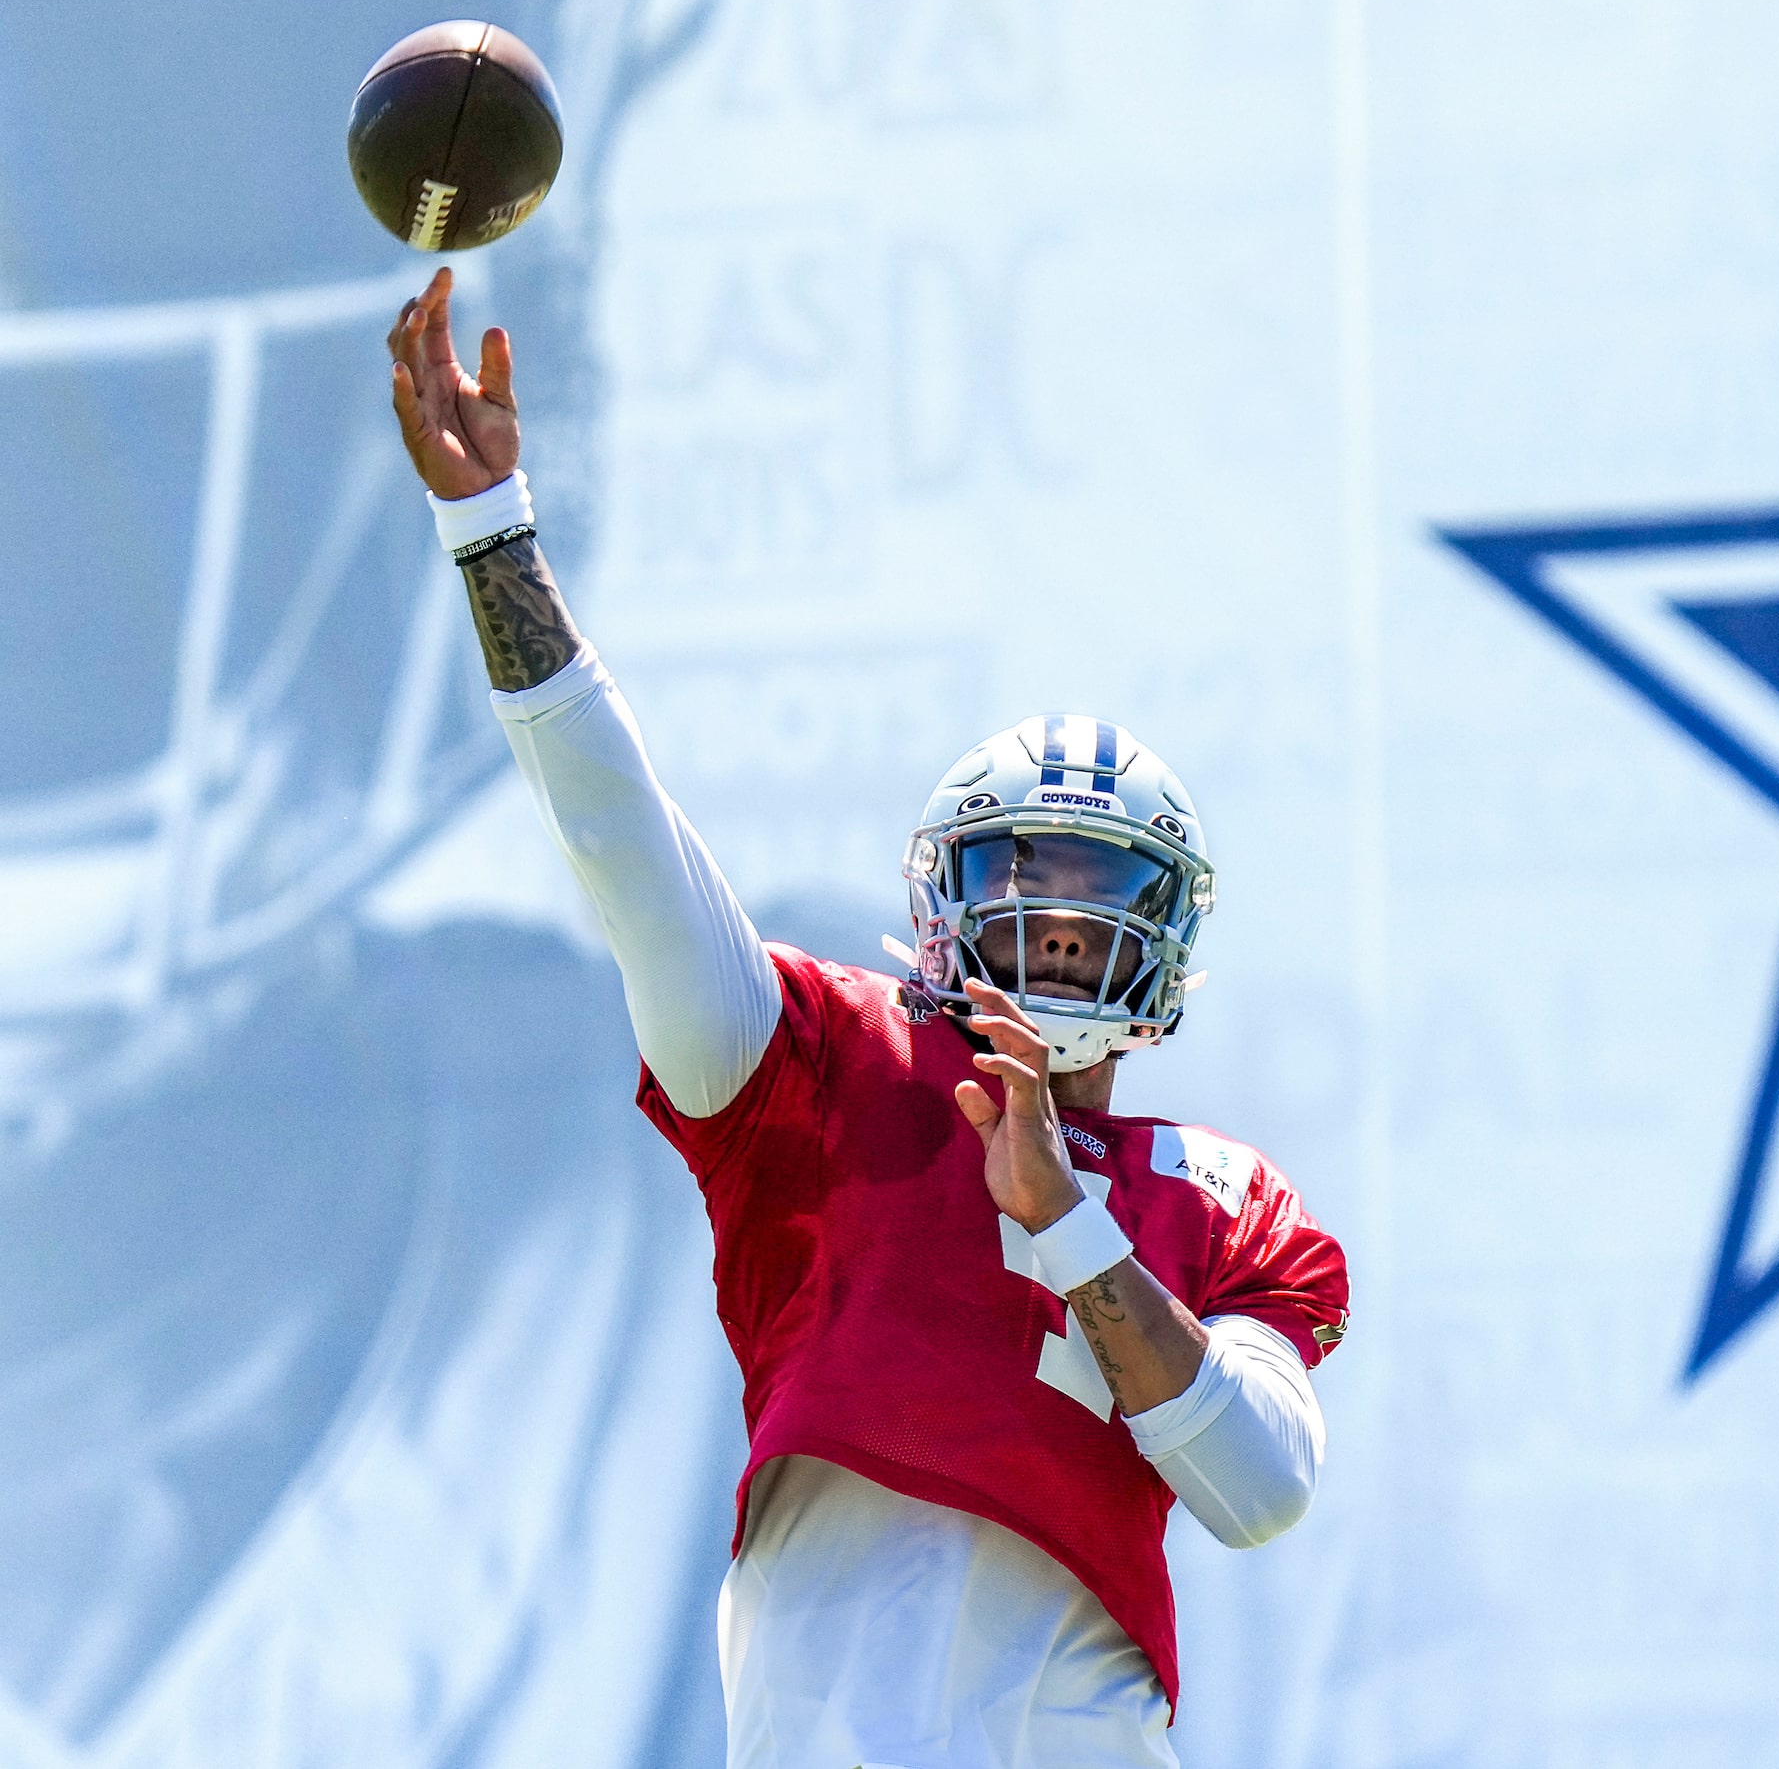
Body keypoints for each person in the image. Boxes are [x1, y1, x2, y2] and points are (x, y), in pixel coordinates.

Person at [386, 266, 1349, 1769]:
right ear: (941, 905)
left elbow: (1260, 1486)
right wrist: (489, 535)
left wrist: (1071, 1229)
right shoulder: (830, 1067)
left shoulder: (1223, 1198)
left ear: (1160, 947)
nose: (1061, 923)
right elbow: (627, 851)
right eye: (1023, 880)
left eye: (1098, 893)